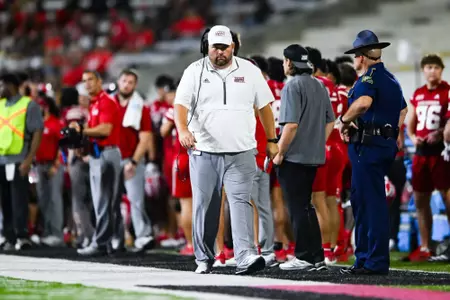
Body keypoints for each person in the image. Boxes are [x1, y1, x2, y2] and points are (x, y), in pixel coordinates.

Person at [174, 25, 278, 275]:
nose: (220, 52)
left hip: (241, 151)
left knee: (241, 202)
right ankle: (204, 257)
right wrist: (182, 130)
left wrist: (272, 139)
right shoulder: (194, 71)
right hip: (204, 150)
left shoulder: (250, 71)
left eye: (224, 47)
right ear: (206, 47)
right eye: (215, 47)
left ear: (233, 46)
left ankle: (245, 257)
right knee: (205, 207)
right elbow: (180, 105)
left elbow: (264, 106)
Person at [338, 30, 408, 275]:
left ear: (361, 56)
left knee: (369, 203)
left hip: (367, 147)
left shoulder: (368, 79)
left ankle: (372, 260)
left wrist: (343, 121)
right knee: (367, 201)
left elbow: (363, 104)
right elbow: (403, 110)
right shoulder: (391, 79)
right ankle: (366, 258)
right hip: (382, 145)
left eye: (356, 55)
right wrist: (395, 134)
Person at [274, 44, 335, 271]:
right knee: (307, 206)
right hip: (313, 156)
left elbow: (290, 125)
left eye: (284, 61)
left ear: (289, 62)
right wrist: (318, 141)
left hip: (294, 157)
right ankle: (316, 255)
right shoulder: (320, 85)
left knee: (298, 208)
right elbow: (331, 120)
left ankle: (303, 255)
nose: (283, 65)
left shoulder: (292, 86)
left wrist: (279, 153)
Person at [71, 70, 123, 256]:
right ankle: (110, 241)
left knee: (104, 202)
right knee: (105, 202)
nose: (87, 84)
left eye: (90, 79)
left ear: (99, 81)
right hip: (99, 154)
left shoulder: (106, 102)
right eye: (84, 81)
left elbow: (105, 129)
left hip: (106, 154)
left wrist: (82, 130)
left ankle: (102, 242)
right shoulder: (95, 104)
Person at [406, 54, 450, 262]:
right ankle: (425, 246)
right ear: (423, 70)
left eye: (435, 67)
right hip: (422, 154)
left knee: (447, 197)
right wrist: (414, 139)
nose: (432, 71)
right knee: (420, 200)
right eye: (428, 67)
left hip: (441, 153)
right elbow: (411, 122)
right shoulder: (418, 93)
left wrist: (440, 133)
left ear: (441, 70)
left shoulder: (447, 91)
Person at [0, 73, 43, 251]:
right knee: (5, 200)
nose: (0, 88)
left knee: (19, 199)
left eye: (2, 85)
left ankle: (22, 235)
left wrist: (28, 159)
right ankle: (9, 236)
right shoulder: (1, 105)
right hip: (2, 160)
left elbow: (37, 133)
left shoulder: (28, 105)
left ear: (12, 85)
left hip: (19, 160)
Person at [114, 69, 155, 251]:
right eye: (124, 81)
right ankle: (115, 237)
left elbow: (145, 137)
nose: (127, 85)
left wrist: (134, 161)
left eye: (131, 82)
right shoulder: (109, 104)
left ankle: (142, 236)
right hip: (111, 159)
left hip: (132, 160)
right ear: (118, 81)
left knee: (136, 201)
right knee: (110, 201)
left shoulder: (141, 106)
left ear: (135, 85)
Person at [305, 46, 340, 264]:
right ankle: (333, 248)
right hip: (336, 146)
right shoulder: (332, 86)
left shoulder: (311, 85)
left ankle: (324, 249)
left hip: (319, 146)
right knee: (330, 200)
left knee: (317, 201)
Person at [61, 86, 94, 249]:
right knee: (88, 200)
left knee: (80, 201)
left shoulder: (74, 112)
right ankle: (88, 235)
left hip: (81, 158)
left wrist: (74, 152)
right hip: (91, 157)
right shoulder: (92, 110)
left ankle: (86, 235)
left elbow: (72, 137)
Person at [34, 95, 65, 247]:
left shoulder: (55, 122)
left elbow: (62, 145)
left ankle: (57, 234)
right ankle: (46, 232)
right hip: (39, 165)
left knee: (55, 199)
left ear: (45, 106)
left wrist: (57, 164)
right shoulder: (37, 124)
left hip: (53, 165)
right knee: (43, 200)